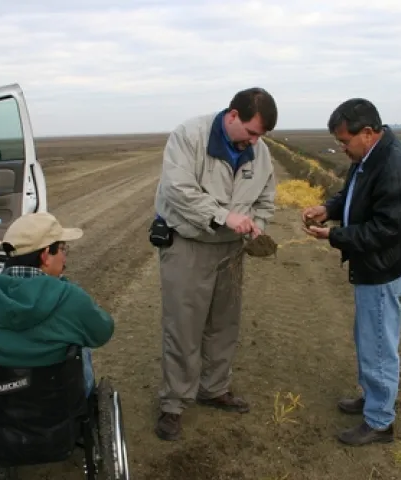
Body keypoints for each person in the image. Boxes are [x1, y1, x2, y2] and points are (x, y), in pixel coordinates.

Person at [152, 87, 278, 441]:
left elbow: (267, 200)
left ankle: (214, 388)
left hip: (231, 250)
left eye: (262, 136)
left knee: (224, 323)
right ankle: (174, 403)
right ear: (233, 115)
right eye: (251, 132)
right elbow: (178, 189)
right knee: (184, 325)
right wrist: (224, 216)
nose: (255, 142)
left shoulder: (260, 152)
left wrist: (258, 230)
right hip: (189, 244)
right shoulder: (188, 137)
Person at [303, 98, 401, 446]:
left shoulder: (395, 166)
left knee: (380, 347)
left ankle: (380, 421)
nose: (342, 148)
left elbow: (386, 229)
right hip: (373, 267)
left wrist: (336, 235)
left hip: (383, 270)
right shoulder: (367, 158)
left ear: (368, 133)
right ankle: (373, 398)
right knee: (368, 339)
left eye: (344, 141)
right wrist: (327, 208)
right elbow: (352, 195)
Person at [0, 211, 115, 397]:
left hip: (1, 414)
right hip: (57, 414)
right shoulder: (69, 296)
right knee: (81, 344)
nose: (64, 257)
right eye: (61, 249)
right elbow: (103, 331)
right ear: (45, 255)